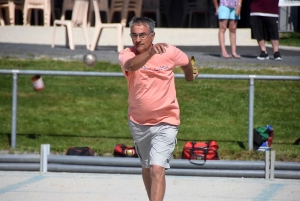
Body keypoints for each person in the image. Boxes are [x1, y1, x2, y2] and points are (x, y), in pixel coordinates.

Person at [118, 16, 198, 201]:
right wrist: (151, 53)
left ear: (152, 36)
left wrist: (190, 76)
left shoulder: (169, 51)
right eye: (134, 35)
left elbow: (187, 62)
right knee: (147, 167)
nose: (138, 39)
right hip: (138, 122)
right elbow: (131, 66)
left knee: (157, 168)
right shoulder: (126, 55)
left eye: (143, 35)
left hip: (166, 120)